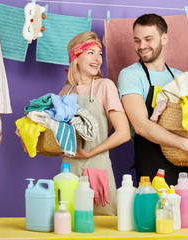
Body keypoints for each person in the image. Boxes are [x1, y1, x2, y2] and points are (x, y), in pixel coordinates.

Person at [117, 14, 188, 216]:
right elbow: (141, 125)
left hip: (187, 165)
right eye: (137, 40)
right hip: (152, 165)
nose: (141, 45)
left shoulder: (181, 78)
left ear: (164, 38)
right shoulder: (131, 75)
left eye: (148, 39)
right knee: (161, 223)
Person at [59, 32, 131, 216]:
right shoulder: (65, 92)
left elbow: (123, 133)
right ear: (75, 56)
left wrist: (89, 153)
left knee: (101, 227)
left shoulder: (104, 86)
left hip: (97, 167)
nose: (98, 59)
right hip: (68, 172)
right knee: (69, 222)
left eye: (99, 54)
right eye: (90, 52)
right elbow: (55, 134)